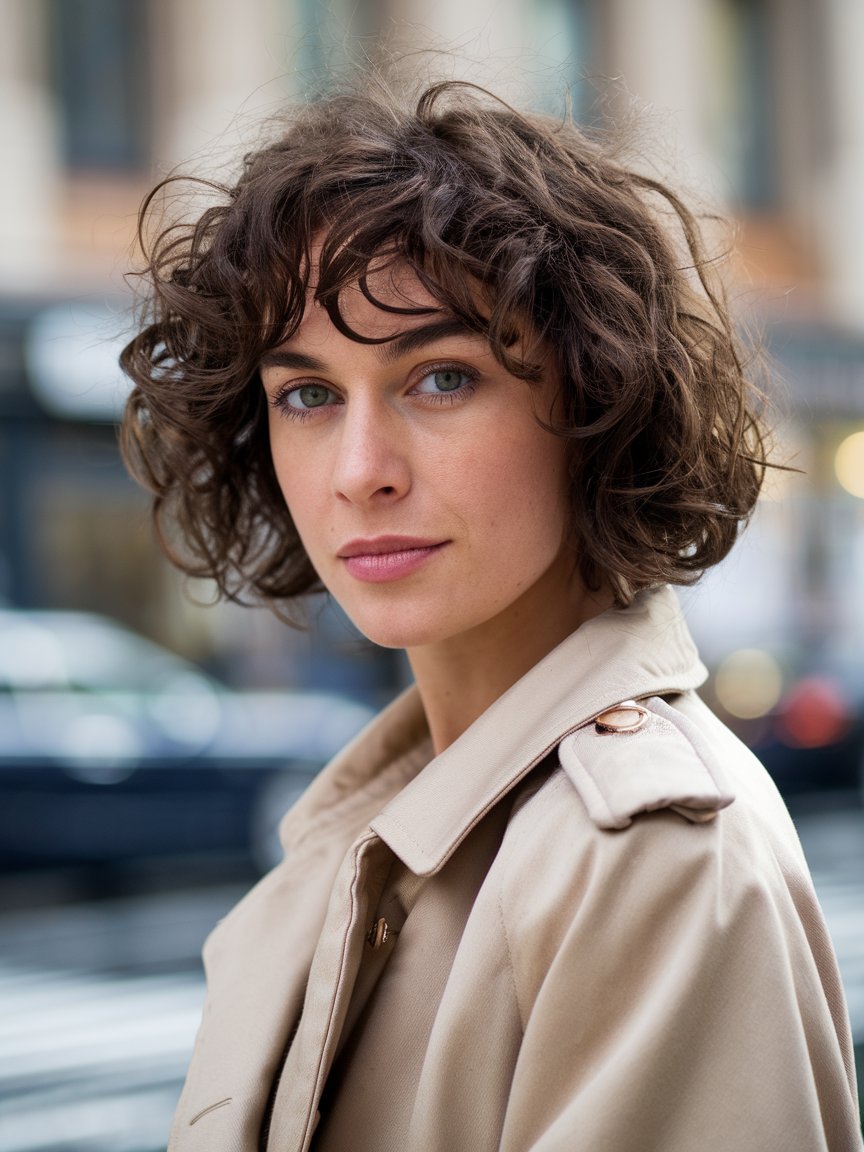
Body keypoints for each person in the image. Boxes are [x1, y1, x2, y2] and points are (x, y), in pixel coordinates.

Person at [120, 79, 862, 1151]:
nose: (360, 473)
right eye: (309, 395)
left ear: (596, 403)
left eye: (441, 378)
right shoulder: (376, 829)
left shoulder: (649, 863)